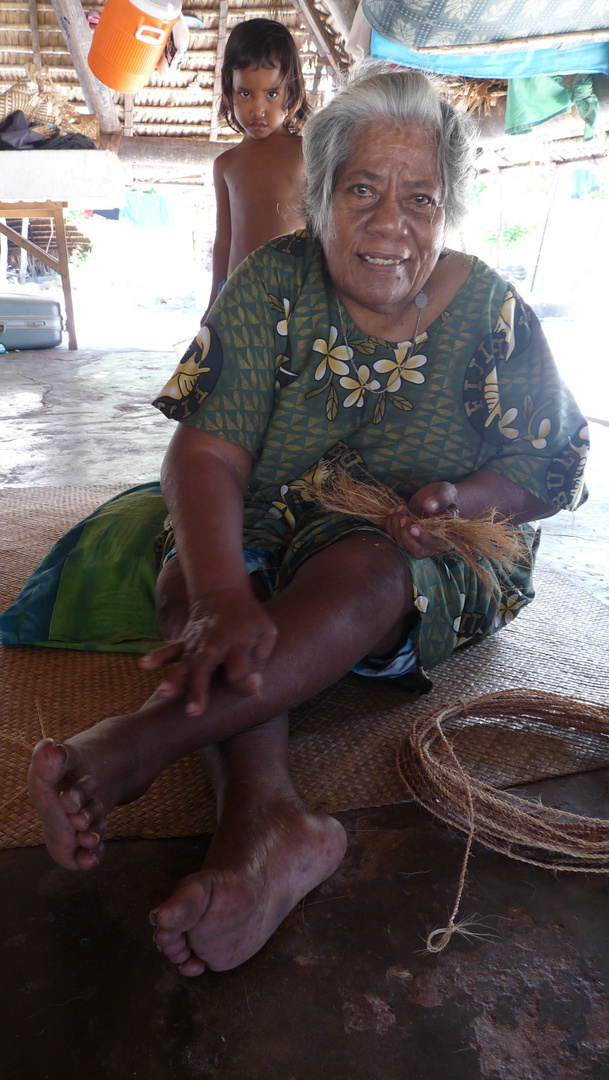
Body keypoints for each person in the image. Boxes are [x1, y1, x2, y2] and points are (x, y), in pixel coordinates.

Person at [25, 63, 588, 977]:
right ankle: (268, 826)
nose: (388, 224)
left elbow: (551, 464)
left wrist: (470, 499)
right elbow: (206, 456)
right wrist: (217, 593)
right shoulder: (272, 283)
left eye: (418, 197)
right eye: (361, 189)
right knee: (188, 568)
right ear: (319, 196)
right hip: (277, 515)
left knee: (363, 567)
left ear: (447, 209)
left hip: (418, 548)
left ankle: (146, 742)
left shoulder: (487, 307)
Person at [201, 18, 310, 322]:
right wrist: (214, 302)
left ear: (291, 92)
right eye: (245, 94)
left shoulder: (306, 153)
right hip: (238, 299)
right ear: (229, 90)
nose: (257, 109)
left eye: (271, 94)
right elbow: (224, 240)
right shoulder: (226, 165)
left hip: (293, 299)